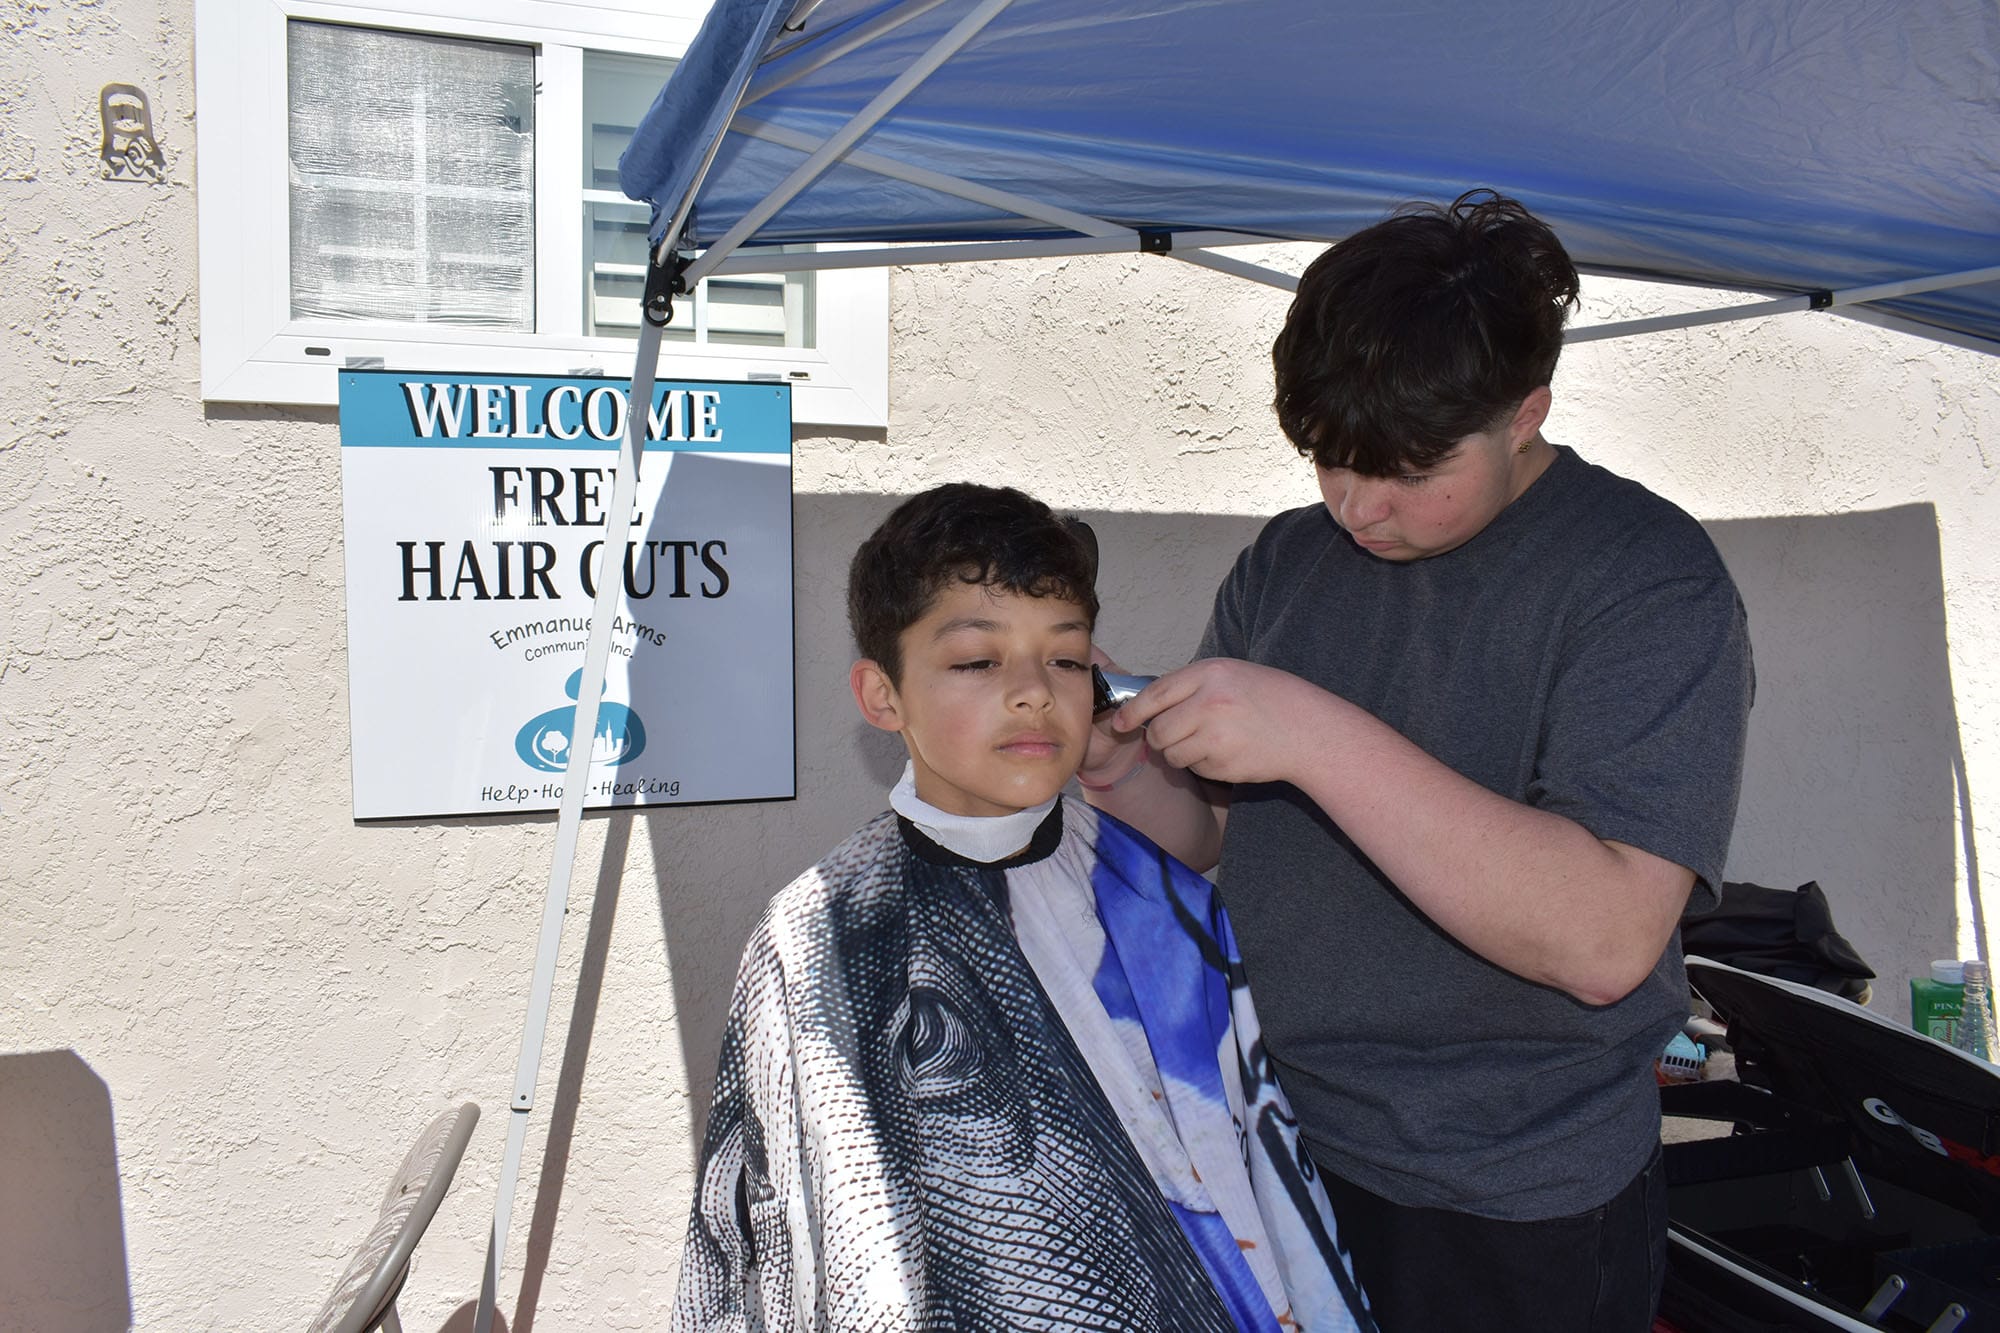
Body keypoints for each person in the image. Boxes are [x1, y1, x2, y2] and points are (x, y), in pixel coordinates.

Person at [1079, 192, 1754, 1332]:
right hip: (1276, 1140)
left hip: (1508, 1198)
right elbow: (1224, 838)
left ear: (1524, 411)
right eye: (1327, 462)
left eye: (1402, 469)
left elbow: (1602, 942)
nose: (1356, 506)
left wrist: (1309, 732)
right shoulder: (1290, 560)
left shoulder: (1646, 581)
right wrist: (1119, 770)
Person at [669, 482, 1376, 1333]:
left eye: (1067, 659)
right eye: (977, 661)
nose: (1034, 691)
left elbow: (1252, 1185)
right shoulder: (817, 940)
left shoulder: (1172, 907)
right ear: (882, 694)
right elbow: (787, 1237)